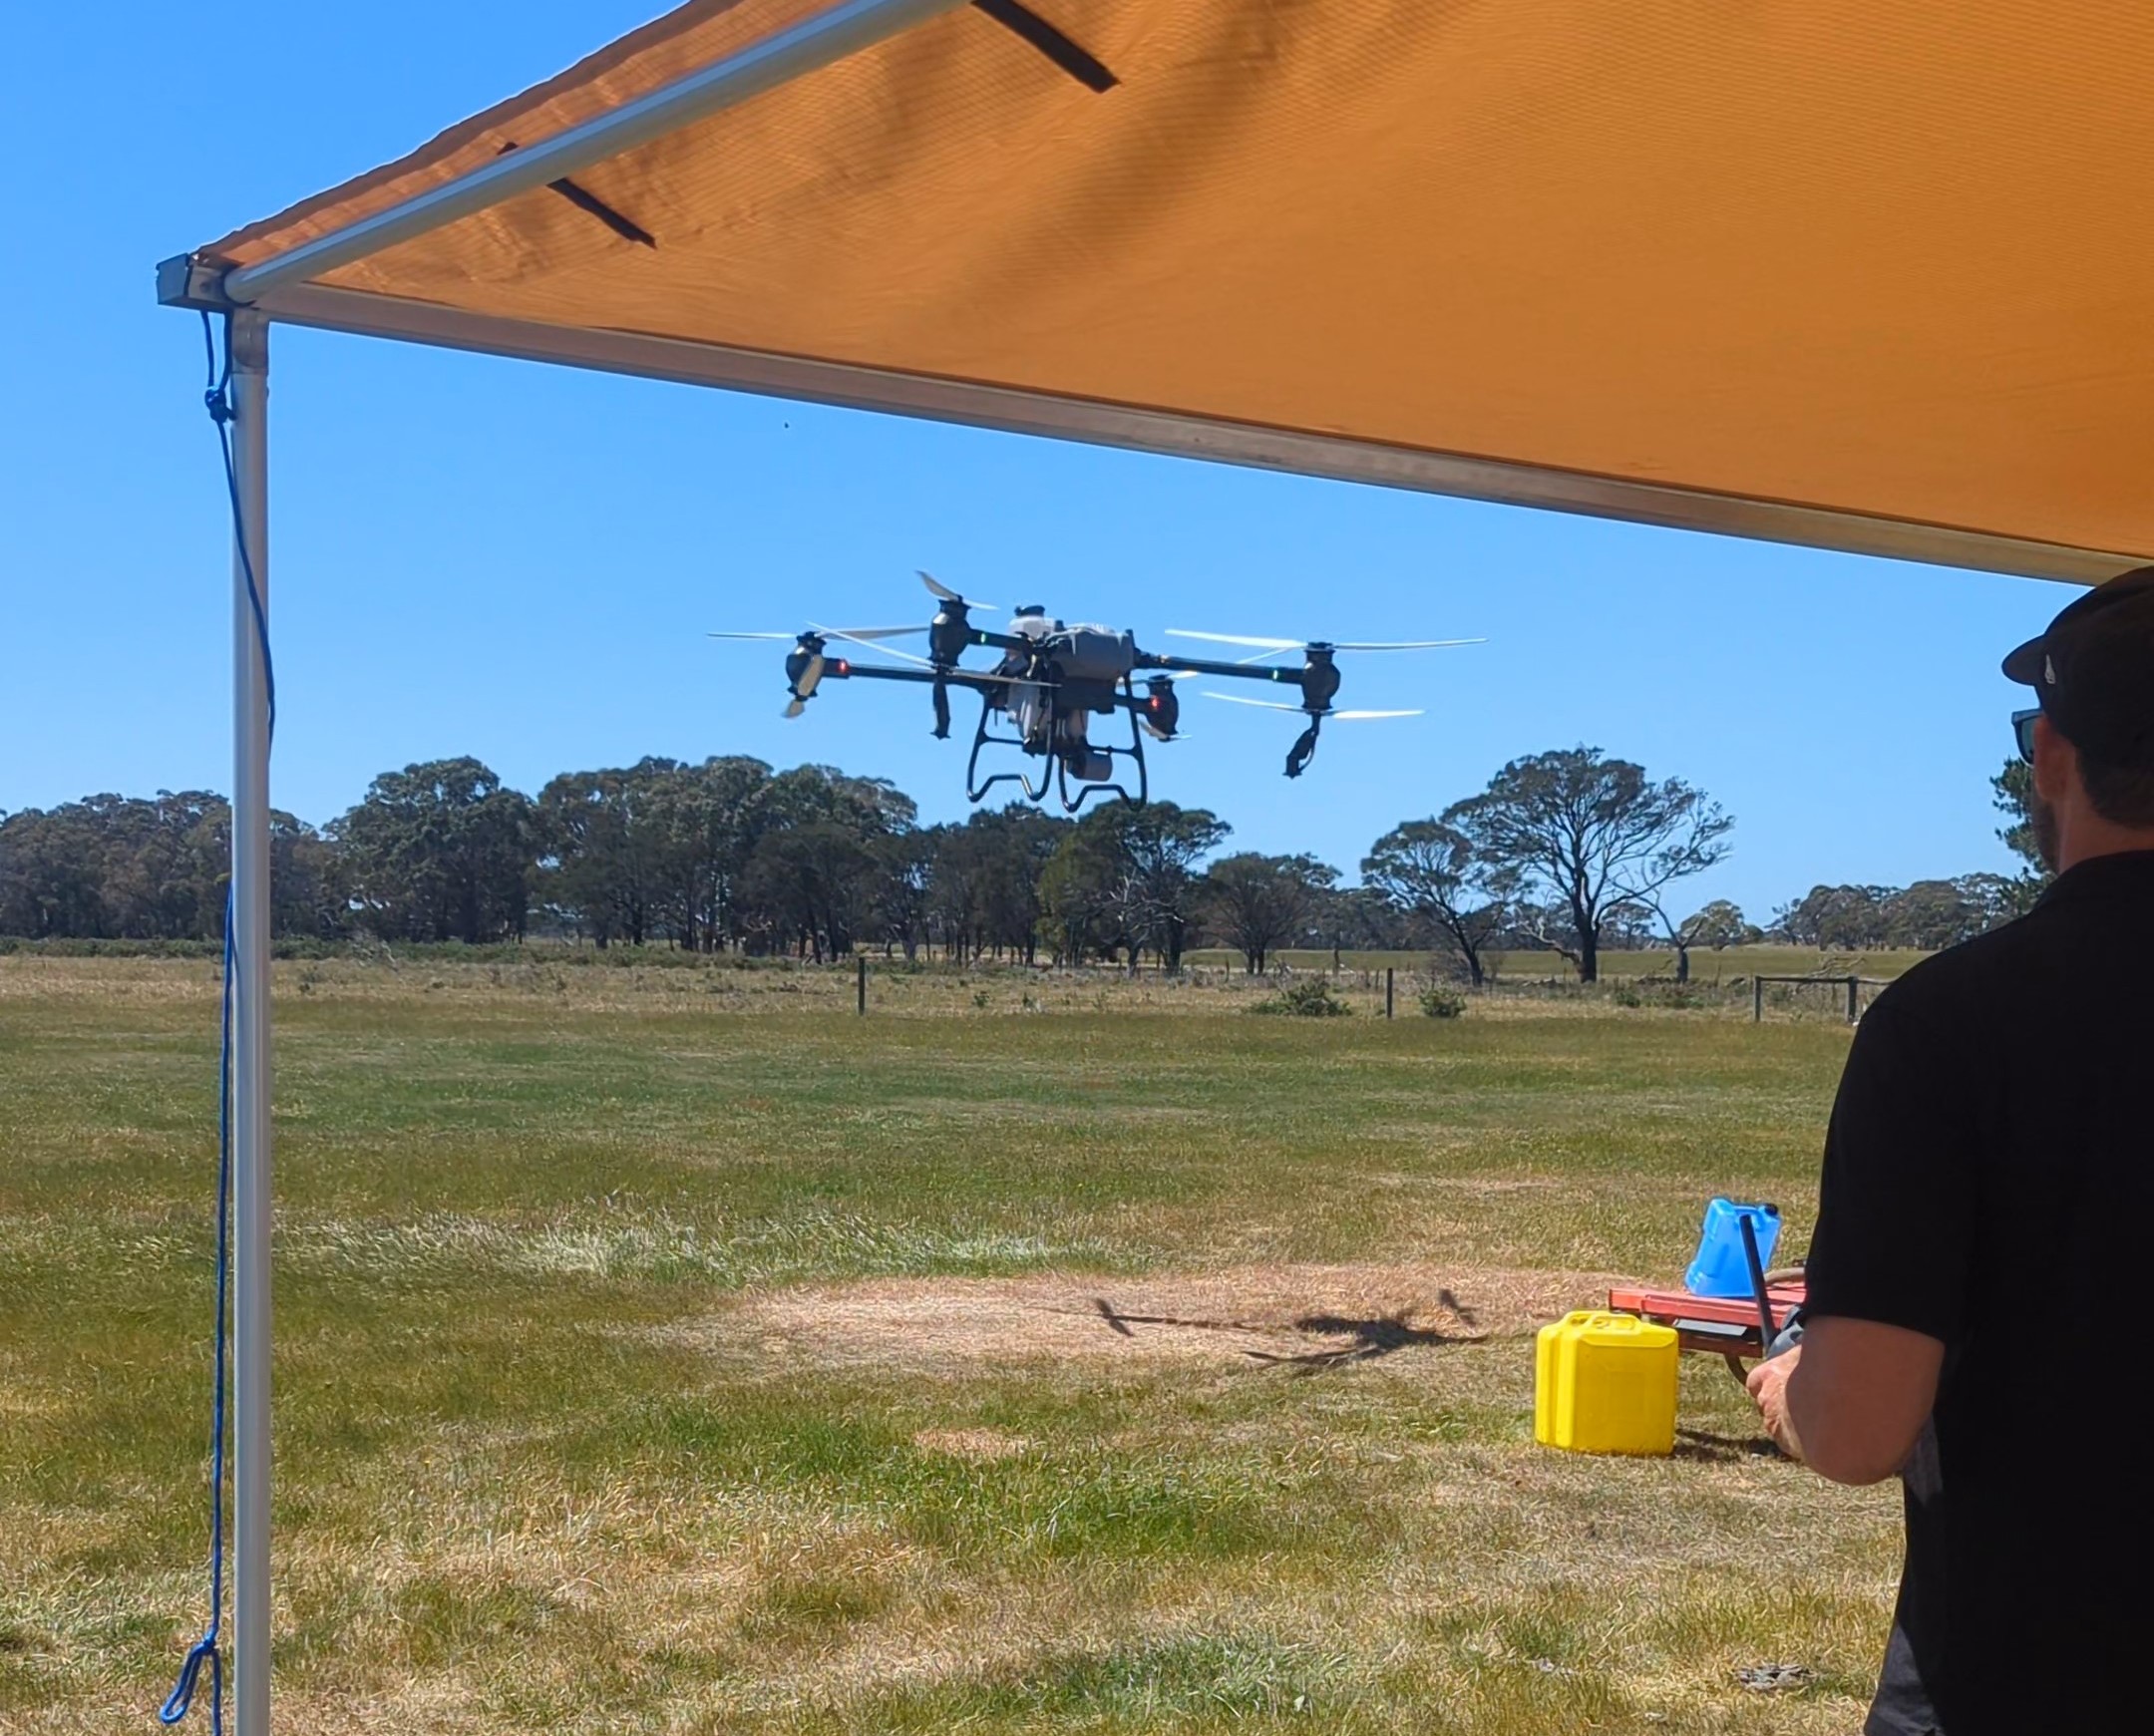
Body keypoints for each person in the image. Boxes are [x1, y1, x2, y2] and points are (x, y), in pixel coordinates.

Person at [1746, 563, 2154, 1734]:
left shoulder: (1947, 1025)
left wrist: (1788, 1386)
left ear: (2051, 758)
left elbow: (1859, 1429)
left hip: (2015, 1682)